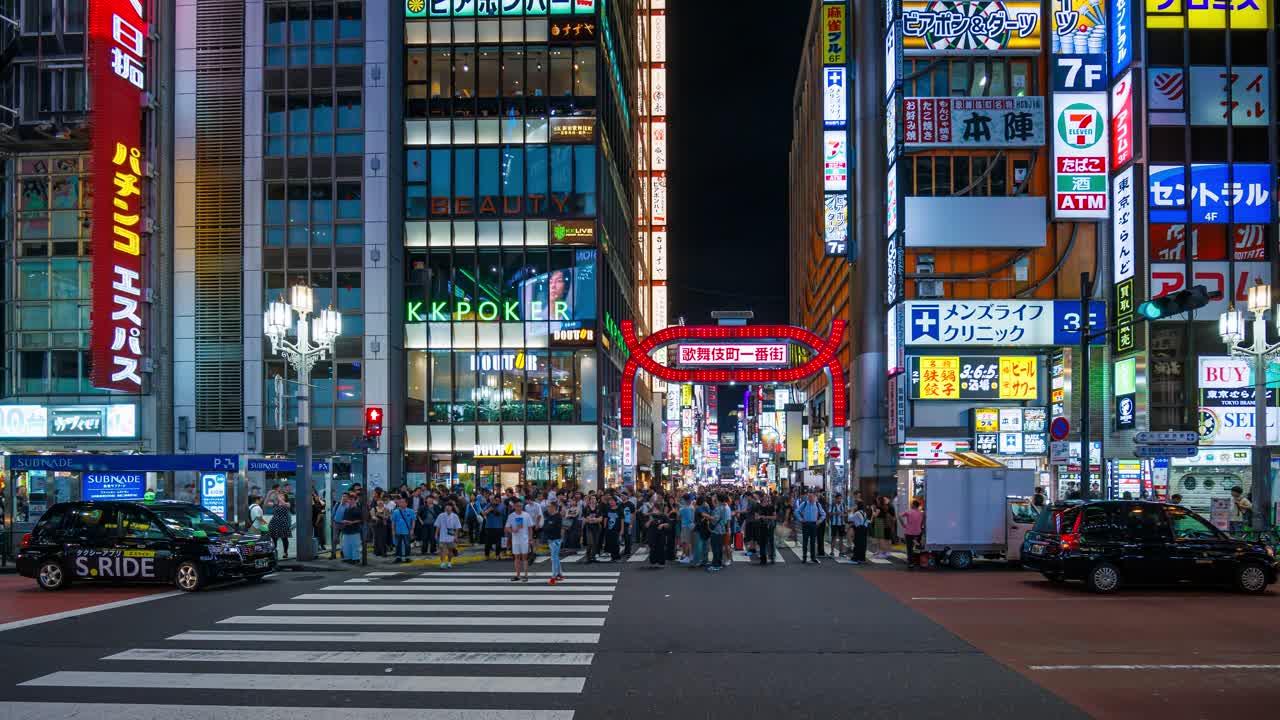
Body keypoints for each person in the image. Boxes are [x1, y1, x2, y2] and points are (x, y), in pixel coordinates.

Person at [505, 499, 534, 582]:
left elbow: (530, 528)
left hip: (524, 539)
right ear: (514, 506)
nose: (519, 507)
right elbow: (507, 527)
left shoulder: (526, 515)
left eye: (521, 506)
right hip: (515, 540)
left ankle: (525, 575)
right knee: (516, 557)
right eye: (517, 506)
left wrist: (530, 539)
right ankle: (518, 575)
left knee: (524, 558)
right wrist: (513, 531)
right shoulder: (511, 516)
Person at [795, 491, 826, 564]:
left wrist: (819, 521)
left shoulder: (817, 504)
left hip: (813, 524)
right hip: (806, 524)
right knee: (805, 541)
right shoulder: (804, 503)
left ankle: (813, 557)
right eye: (809, 497)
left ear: (815, 497)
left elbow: (823, 514)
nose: (810, 498)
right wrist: (801, 519)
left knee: (813, 541)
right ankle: (804, 557)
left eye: (812, 497)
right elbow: (797, 511)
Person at [706, 494, 731, 572]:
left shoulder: (718, 508)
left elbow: (715, 519)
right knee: (719, 547)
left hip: (716, 530)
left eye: (715, 498)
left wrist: (707, 516)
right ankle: (719, 563)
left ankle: (715, 564)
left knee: (715, 548)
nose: (714, 499)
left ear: (718, 500)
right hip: (722, 529)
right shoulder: (725, 507)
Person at [434, 501, 462, 568]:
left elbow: (457, 527)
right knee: (442, 549)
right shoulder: (441, 515)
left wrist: (456, 536)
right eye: (446, 506)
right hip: (442, 536)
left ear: (452, 508)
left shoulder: (455, 516)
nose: (448, 508)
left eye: (449, 506)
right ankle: (443, 562)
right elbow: (437, 526)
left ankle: (449, 562)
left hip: (451, 536)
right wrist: (436, 534)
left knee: (450, 550)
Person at [900, 499, 926, 570]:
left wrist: (903, 525)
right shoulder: (921, 513)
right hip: (918, 533)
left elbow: (899, 516)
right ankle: (919, 561)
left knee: (909, 548)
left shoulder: (908, 511)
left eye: (912, 504)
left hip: (909, 532)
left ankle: (910, 563)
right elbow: (923, 521)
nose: (911, 505)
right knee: (918, 547)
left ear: (914, 505)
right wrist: (921, 526)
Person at [544, 500, 565, 582]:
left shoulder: (558, 517)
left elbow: (549, 527)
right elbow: (546, 527)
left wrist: (547, 527)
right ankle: (560, 574)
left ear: (553, 507)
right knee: (555, 557)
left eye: (549, 506)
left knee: (554, 558)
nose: (548, 508)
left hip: (556, 540)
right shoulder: (550, 516)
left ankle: (554, 575)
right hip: (550, 539)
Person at [338, 493, 363, 564]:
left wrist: (352, 522)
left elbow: (361, 519)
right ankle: (348, 558)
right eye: (349, 499)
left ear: (355, 500)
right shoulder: (346, 509)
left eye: (351, 499)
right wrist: (344, 521)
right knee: (346, 545)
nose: (350, 501)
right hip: (346, 530)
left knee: (355, 545)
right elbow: (343, 519)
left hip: (354, 530)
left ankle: (355, 558)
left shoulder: (358, 509)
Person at [645, 497, 670, 567]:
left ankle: (661, 562)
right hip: (652, 534)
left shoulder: (663, 515)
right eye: (653, 508)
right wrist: (650, 520)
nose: (654, 509)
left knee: (661, 548)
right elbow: (646, 526)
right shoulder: (650, 515)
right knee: (653, 548)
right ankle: (653, 562)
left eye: (655, 508)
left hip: (661, 534)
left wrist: (662, 525)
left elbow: (668, 524)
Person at [391, 497, 416, 563]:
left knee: (407, 544)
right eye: (400, 502)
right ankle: (398, 557)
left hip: (407, 531)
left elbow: (413, 521)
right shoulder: (395, 511)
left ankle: (407, 557)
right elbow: (393, 522)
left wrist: (412, 529)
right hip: (398, 531)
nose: (401, 503)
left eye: (402, 502)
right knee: (398, 544)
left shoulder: (411, 511)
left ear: (406, 503)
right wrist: (393, 530)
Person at [269, 490, 293, 559]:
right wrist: (269, 494)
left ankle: (285, 552)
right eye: (280, 495)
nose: (280, 496)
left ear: (285, 498)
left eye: (282, 495)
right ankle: (274, 553)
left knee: (284, 538)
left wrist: (278, 496)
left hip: (283, 523)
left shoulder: (287, 503)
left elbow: (284, 504)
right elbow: (266, 503)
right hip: (274, 523)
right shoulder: (275, 504)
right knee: (274, 539)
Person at [483, 493, 508, 560]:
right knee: (488, 542)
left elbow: (499, 514)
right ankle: (487, 555)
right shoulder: (488, 505)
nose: (495, 501)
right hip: (489, 526)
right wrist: (489, 509)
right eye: (493, 499)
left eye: (496, 500)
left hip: (498, 526)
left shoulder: (502, 506)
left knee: (498, 542)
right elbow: (483, 513)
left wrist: (493, 508)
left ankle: (497, 555)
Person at [755, 492, 777, 565]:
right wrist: (759, 517)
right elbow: (756, 516)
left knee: (771, 542)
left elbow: (774, 517)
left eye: (767, 499)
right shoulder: (758, 507)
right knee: (762, 543)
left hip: (770, 526)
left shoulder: (771, 507)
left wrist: (765, 517)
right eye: (764, 499)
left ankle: (772, 557)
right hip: (761, 526)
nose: (765, 500)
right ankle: (763, 558)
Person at [583, 496, 603, 563]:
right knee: (590, 542)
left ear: (596, 500)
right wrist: (589, 520)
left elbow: (600, 518)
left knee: (595, 543)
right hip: (589, 527)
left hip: (597, 527)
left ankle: (593, 557)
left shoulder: (599, 508)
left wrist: (594, 520)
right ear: (589, 500)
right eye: (591, 499)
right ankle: (587, 556)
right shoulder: (586, 508)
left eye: (594, 499)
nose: (593, 500)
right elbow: (584, 518)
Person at [602, 496, 623, 562]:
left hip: (616, 528)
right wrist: (605, 527)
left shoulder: (619, 509)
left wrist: (622, 529)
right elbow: (605, 517)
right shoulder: (607, 508)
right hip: (609, 529)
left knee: (616, 543)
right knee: (610, 542)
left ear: (615, 501)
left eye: (612, 501)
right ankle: (612, 557)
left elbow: (622, 519)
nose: (611, 502)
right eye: (610, 501)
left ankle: (617, 557)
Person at [677, 495, 695, 563]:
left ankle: (687, 557)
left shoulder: (682, 509)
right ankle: (691, 556)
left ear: (684, 500)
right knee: (691, 542)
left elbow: (678, 517)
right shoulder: (692, 507)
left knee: (686, 542)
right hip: (692, 526)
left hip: (685, 526)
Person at [829, 493, 847, 557]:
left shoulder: (843, 505)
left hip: (842, 523)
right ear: (835, 498)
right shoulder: (832, 505)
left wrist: (843, 515)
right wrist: (836, 513)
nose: (839, 500)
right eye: (838, 498)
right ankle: (832, 552)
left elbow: (846, 514)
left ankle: (841, 552)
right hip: (834, 523)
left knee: (841, 538)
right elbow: (830, 513)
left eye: (840, 498)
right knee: (833, 537)